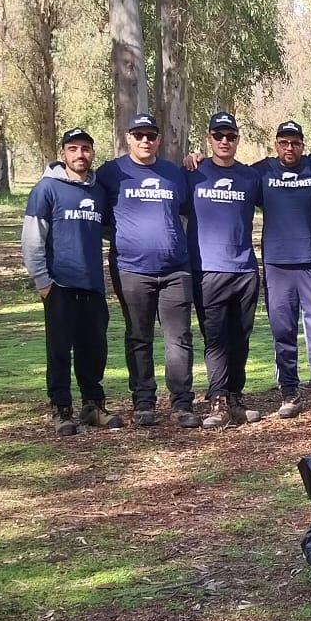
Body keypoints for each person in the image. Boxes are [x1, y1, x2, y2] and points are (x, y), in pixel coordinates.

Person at [95, 112, 199, 428]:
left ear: (158, 140)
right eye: (138, 135)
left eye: (150, 136)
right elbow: (95, 210)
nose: (145, 141)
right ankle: (144, 401)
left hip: (176, 271)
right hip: (131, 270)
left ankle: (182, 403)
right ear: (128, 137)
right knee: (138, 337)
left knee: (178, 338)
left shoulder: (173, 173)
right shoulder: (111, 173)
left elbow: (190, 208)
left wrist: (197, 160)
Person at [22, 128, 121, 435]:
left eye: (86, 149)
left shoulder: (98, 191)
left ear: (93, 153)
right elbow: (32, 239)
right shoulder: (46, 190)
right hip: (59, 285)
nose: (81, 155)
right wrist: (42, 281)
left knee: (94, 348)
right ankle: (61, 409)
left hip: (91, 283)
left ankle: (93, 405)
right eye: (74, 148)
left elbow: (108, 229)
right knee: (60, 349)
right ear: (63, 153)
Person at [254, 121, 311, 418]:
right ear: (276, 144)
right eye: (284, 143)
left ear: (303, 144)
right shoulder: (261, 171)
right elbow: (229, 174)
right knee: (282, 328)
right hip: (277, 263)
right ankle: (289, 392)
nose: (290, 148)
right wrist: (194, 159)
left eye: (296, 143)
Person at [188, 112, 265, 428]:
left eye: (230, 136)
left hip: (245, 270)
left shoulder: (250, 177)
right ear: (209, 138)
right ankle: (217, 400)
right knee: (215, 339)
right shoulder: (192, 174)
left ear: (237, 140)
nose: (224, 142)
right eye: (218, 136)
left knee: (240, 338)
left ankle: (235, 395)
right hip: (207, 270)